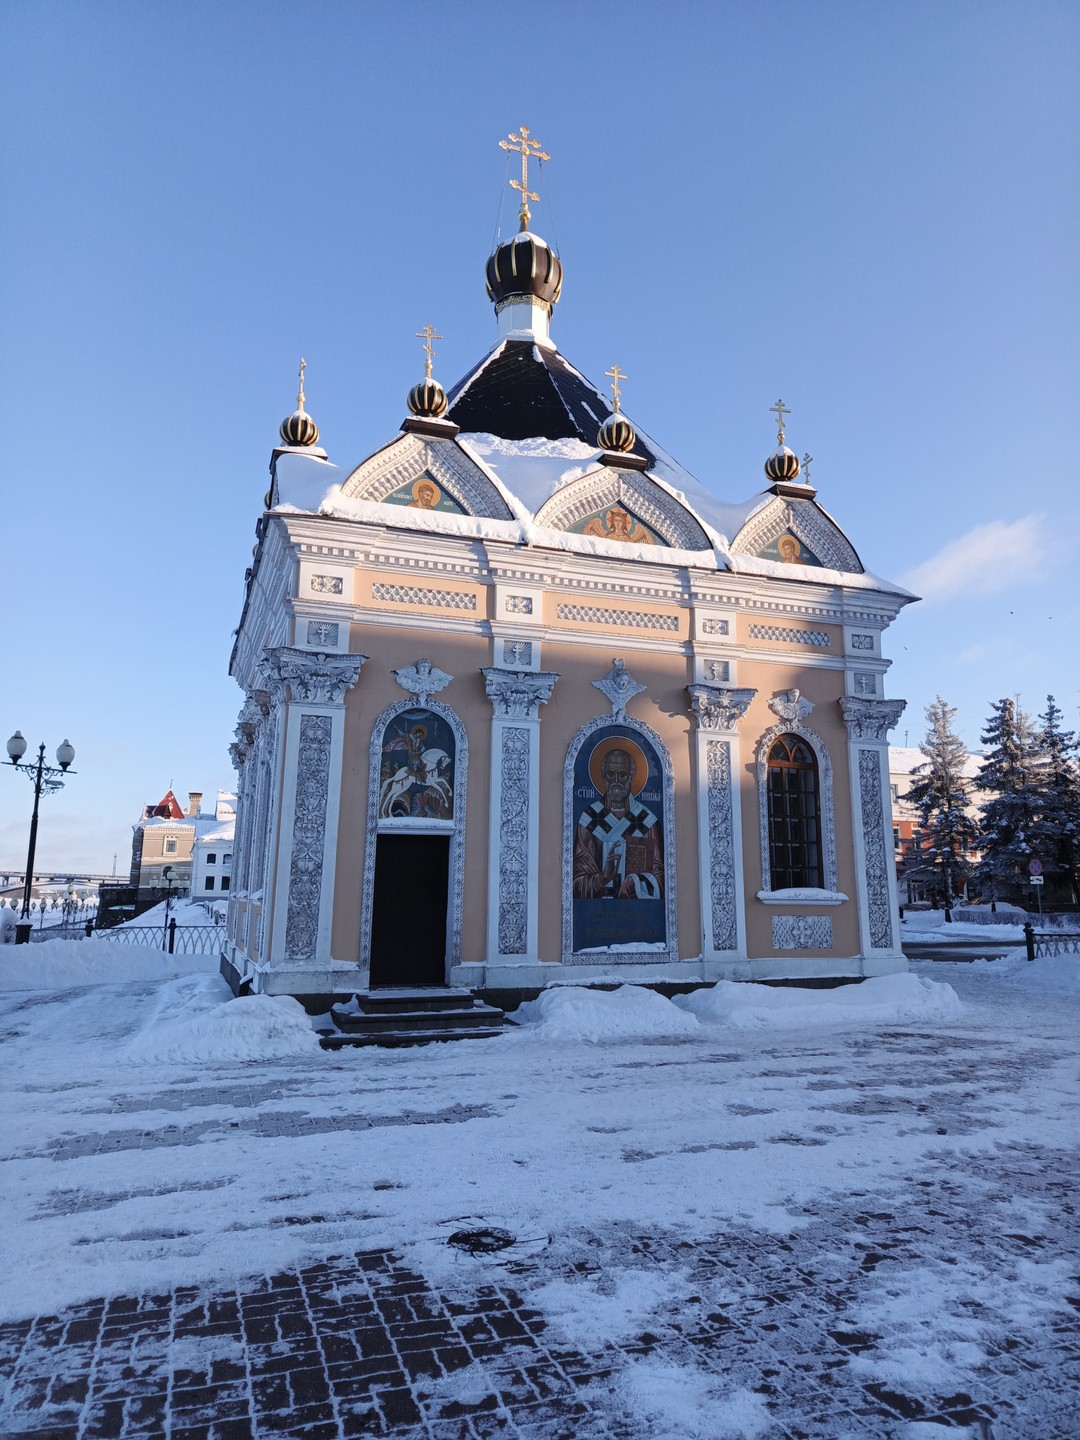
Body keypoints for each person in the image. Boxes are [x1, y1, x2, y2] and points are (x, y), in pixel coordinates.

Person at [573, 747, 663, 899]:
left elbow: (660, 878)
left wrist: (635, 883)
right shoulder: (590, 820)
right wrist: (602, 878)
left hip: (637, 915)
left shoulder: (646, 821)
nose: (615, 781)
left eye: (621, 775)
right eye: (610, 774)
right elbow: (576, 882)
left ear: (630, 776)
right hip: (596, 913)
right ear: (603, 775)